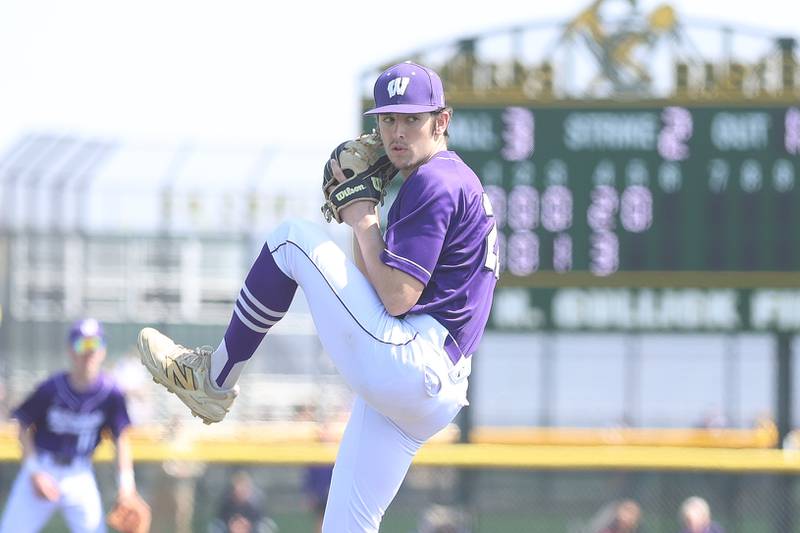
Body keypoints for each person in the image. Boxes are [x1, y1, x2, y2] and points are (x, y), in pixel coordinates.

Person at [136, 60, 499, 532]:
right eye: (388, 119)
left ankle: (214, 378)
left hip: (414, 362)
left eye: (413, 118)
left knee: (291, 240)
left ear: (441, 121)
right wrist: (361, 215)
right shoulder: (451, 178)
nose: (397, 132)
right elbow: (377, 289)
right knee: (345, 525)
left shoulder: (435, 180)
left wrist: (363, 216)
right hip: (430, 383)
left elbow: (397, 297)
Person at [0, 318, 138, 533]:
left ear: (103, 349)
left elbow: (121, 438)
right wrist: (34, 471)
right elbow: (23, 424)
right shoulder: (52, 388)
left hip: (80, 473)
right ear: (70, 349)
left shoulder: (112, 394)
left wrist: (127, 486)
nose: (89, 352)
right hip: (43, 468)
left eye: (95, 344)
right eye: (82, 344)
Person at [209, 470, 277, 533]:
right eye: (238, 488)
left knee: (265, 527)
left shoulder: (256, 502)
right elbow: (221, 518)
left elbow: (260, 519)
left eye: (244, 488)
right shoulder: (226, 500)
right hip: (230, 527)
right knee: (216, 527)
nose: (241, 491)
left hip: (252, 528)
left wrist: (247, 526)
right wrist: (233, 525)